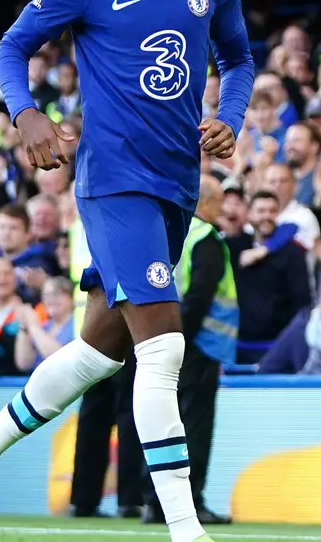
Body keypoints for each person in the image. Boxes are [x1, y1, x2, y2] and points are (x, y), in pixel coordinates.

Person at [0, 0, 254, 542]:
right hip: (113, 185)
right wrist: (28, 112)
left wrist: (229, 114)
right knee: (163, 349)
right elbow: (12, 48)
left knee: (99, 353)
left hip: (175, 186)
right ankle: (184, 529)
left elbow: (240, 56)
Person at [145, 174, 236, 526]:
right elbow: (199, 297)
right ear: (207, 202)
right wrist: (181, 338)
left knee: (163, 423)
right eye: (218, 201)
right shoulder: (206, 238)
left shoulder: (170, 234)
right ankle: (191, 502)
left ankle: (156, 502)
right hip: (198, 345)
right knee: (193, 427)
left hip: (162, 340)